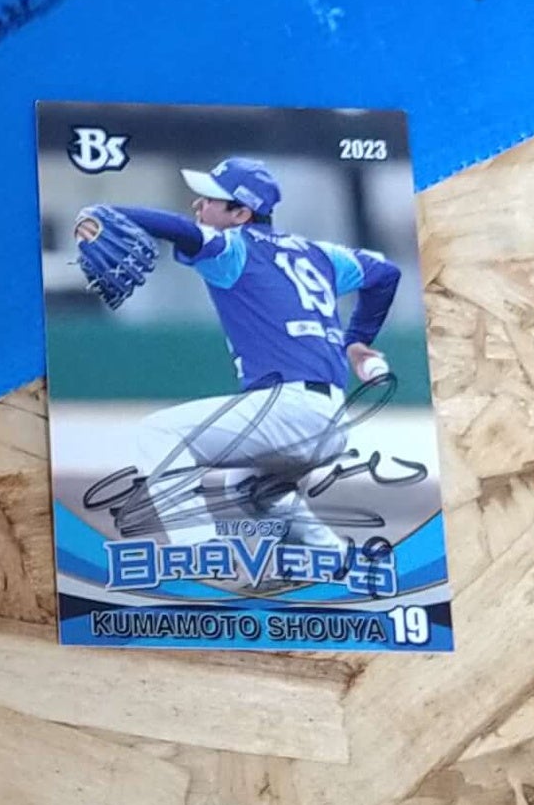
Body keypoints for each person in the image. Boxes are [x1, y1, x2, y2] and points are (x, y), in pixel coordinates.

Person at [74, 157, 401, 530]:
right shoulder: (318, 254)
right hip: (332, 422)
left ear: (241, 214)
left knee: (159, 433)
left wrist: (105, 213)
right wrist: (358, 340)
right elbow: (386, 273)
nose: (198, 204)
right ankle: (332, 554)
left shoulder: (234, 248)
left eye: (210, 199)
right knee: (246, 487)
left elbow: (183, 230)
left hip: (287, 411)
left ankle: (197, 548)